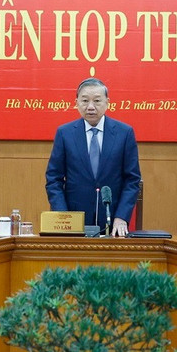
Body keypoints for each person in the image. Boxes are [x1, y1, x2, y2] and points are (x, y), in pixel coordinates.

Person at [45, 78, 141, 237]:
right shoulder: (65, 133)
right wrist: (63, 217)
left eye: (97, 101)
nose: (90, 107)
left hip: (113, 220)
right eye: (84, 101)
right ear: (76, 103)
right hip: (74, 220)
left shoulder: (124, 133)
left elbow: (132, 179)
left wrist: (122, 217)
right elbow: (53, 179)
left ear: (107, 102)